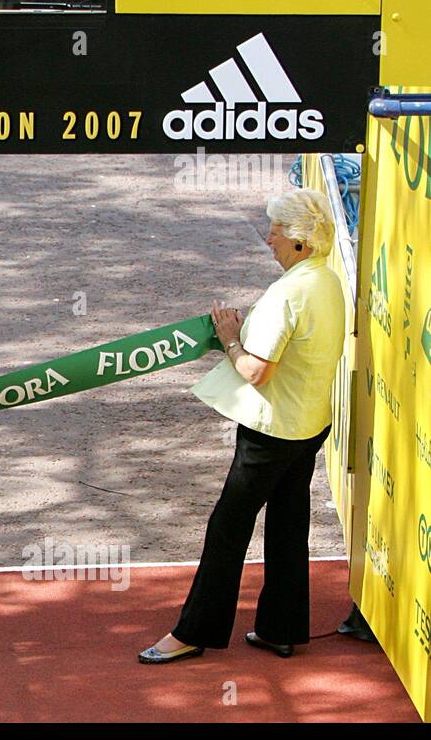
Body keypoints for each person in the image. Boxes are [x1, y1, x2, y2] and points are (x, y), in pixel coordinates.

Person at [140, 188, 345, 663]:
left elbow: (256, 371)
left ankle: (194, 632)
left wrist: (231, 339)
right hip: (311, 424)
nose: (269, 237)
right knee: (289, 524)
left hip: (272, 430)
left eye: (276, 230)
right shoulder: (327, 281)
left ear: (299, 241)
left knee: (228, 527)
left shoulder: (288, 292)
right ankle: (281, 628)